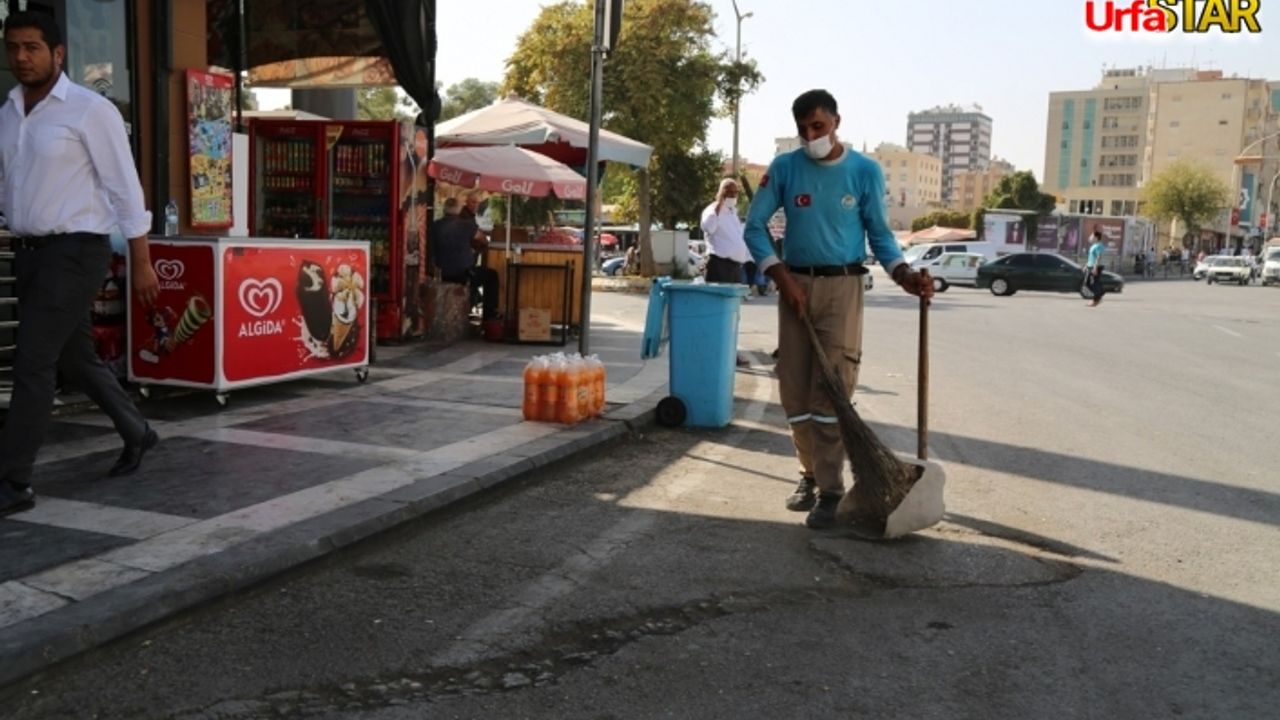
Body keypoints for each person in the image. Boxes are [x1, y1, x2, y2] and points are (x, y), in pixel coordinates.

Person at [743, 89, 931, 529]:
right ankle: (809, 474)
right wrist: (781, 276)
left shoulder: (864, 171)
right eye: (803, 129)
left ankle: (832, 491)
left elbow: (880, 234)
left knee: (831, 392)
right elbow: (754, 228)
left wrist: (904, 274)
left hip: (843, 286)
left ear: (836, 122)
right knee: (794, 393)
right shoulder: (786, 167)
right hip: (795, 287)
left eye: (818, 127)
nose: (811, 136)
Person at [0, 12, 160, 517]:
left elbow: (124, 186)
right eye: (13, 48)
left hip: (77, 250)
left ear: (58, 53)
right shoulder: (7, 113)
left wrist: (142, 259)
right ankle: (137, 431)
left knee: (32, 362)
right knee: (73, 359)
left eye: (32, 47)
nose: (22, 57)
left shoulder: (92, 111)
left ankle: (14, 481)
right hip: (28, 253)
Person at [701, 178, 753, 365]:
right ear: (720, 192)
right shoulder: (712, 211)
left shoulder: (732, 212)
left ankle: (730, 351)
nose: (731, 196)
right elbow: (709, 228)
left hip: (734, 268)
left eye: (734, 193)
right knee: (716, 313)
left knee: (732, 314)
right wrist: (719, 204)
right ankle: (713, 350)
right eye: (727, 192)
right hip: (719, 266)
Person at [429, 197, 499, 321]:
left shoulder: (435, 226)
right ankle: (489, 316)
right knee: (492, 275)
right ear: (459, 209)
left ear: (445, 209)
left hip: (444, 272)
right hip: (464, 272)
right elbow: (482, 239)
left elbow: (431, 249)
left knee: (475, 278)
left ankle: (467, 308)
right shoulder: (465, 224)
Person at [1085, 229, 1107, 307]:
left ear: (1096, 237)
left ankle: (1097, 298)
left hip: (1096, 266)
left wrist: (1095, 268)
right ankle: (1099, 294)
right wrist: (1086, 266)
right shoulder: (1093, 246)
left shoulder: (1099, 245)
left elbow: (1098, 257)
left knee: (1094, 283)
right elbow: (1091, 257)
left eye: (1092, 236)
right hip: (1090, 266)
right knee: (1088, 283)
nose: (1090, 237)